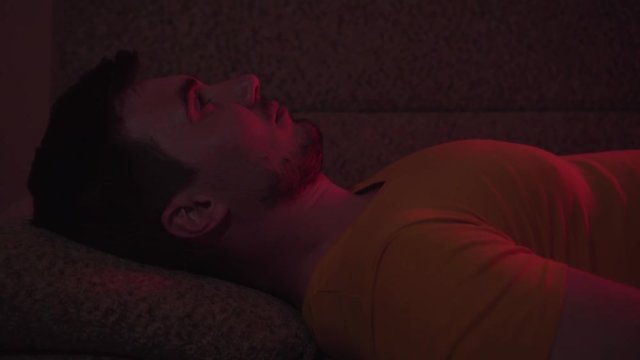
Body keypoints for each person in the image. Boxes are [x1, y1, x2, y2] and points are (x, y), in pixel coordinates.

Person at [27, 50, 640, 359]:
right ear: (195, 211)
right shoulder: (407, 280)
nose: (245, 84)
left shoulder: (375, 212)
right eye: (203, 104)